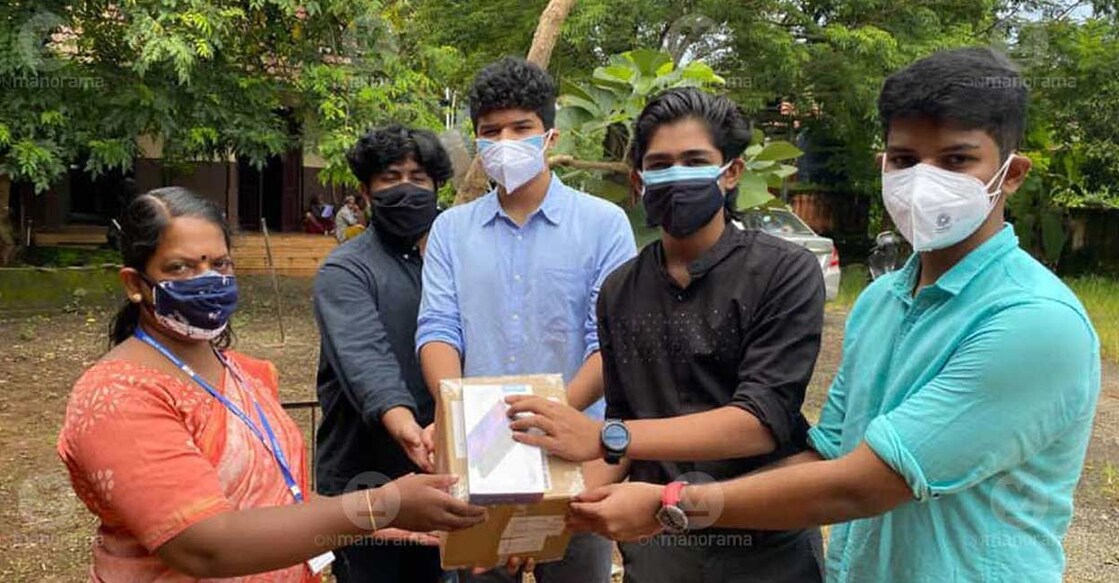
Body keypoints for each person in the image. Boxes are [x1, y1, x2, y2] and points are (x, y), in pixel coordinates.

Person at [565, 47, 1102, 583]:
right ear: (883, 165)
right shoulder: (881, 301)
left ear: (1011, 174)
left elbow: (861, 484)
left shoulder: (1033, 322)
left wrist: (670, 503)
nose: (924, 181)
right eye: (905, 160)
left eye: (957, 160)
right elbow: (827, 456)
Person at [58, 187, 486, 582]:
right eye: (180, 268)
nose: (208, 279)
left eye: (219, 263)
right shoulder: (118, 396)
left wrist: (407, 525)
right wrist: (381, 505)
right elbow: (202, 546)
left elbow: (280, 503)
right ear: (135, 284)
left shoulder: (243, 373)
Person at [504, 87, 826, 582]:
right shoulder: (620, 291)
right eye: (660, 164)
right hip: (658, 550)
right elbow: (622, 433)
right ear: (638, 181)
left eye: (695, 160)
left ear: (731, 172)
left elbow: (760, 420)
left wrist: (607, 436)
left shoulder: (784, 273)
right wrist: (539, 522)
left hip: (763, 546)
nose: (677, 175)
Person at [416, 56, 637, 582]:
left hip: (576, 454)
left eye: (521, 127)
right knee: (478, 570)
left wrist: (531, 427)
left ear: (549, 135)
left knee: (575, 568)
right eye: (491, 131)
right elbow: (439, 330)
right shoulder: (450, 230)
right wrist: (463, 420)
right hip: (477, 455)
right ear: (477, 143)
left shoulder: (604, 224)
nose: (505, 140)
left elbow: (608, 343)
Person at [313, 125, 452, 583]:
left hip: (444, 474)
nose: (406, 189)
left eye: (418, 177)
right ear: (366, 190)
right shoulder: (346, 269)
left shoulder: (451, 264)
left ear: (436, 188)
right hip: (366, 480)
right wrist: (408, 429)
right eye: (391, 177)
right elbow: (364, 359)